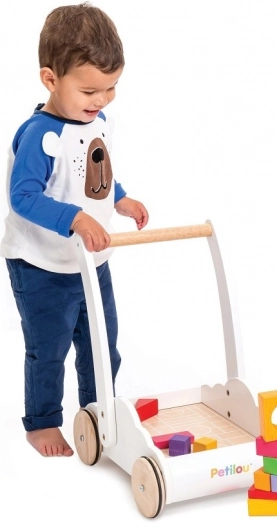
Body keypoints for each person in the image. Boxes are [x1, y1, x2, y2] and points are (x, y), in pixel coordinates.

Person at [0, 3, 149, 457]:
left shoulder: (95, 121)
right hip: (42, 265)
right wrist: (76, 219)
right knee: (49, 348)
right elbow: (23, 196)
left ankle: (99, 410)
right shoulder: (39, 135)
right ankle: (42, 422)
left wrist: (119, 198)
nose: (101, 100)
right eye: (89, 90)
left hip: (91, 262)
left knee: (102, 343)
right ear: (51, 79)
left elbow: (90, 173)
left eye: (111, 88)